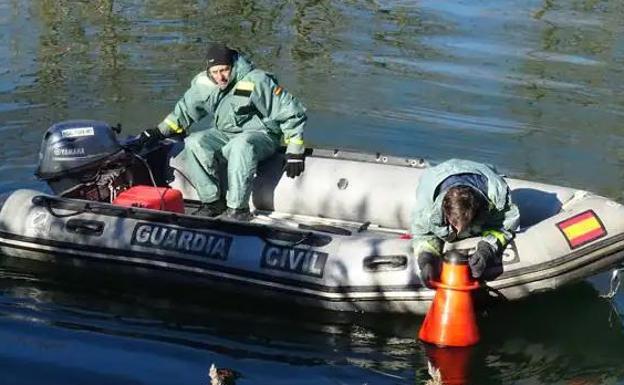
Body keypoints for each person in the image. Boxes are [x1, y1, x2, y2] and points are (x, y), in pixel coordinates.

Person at [138, 43, 307, 221]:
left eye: (225, 70)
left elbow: (293, 113)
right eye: (215, 72)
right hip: (226, 133)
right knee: (195, 141)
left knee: (240, 145)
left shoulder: (256, 80)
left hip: (261, 135)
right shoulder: (204, 83)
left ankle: (238, 209)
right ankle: (212, 202)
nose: (220, 77)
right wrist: (158, 132)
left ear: (233, 65)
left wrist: (294, 151)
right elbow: (184, 112)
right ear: (209, 71)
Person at [411, 158, 520, 286]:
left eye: (462, 227)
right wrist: (426, 260)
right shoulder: (426, 209)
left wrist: (487, 249)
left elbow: (506, 226)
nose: (457, 232)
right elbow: (423, 235)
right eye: (453, 226)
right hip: (438, 174)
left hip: (480, 172)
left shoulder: (497, 195)